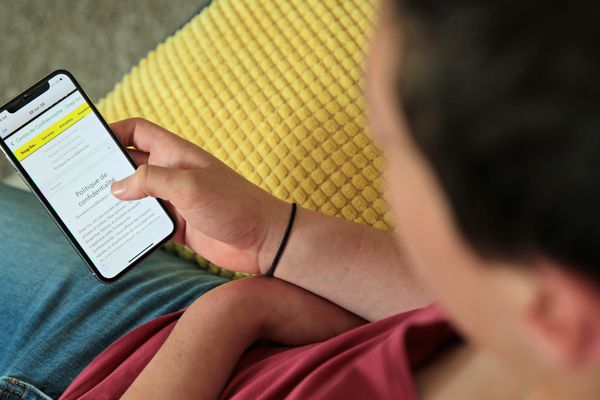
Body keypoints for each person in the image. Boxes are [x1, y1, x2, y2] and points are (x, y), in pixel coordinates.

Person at [1, 0, 599, 398]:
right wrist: (268, 236)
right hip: (184, 333)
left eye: (393, 151)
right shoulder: (550, 315)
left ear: (553, 311)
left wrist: (233, 312)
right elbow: (434, 309)